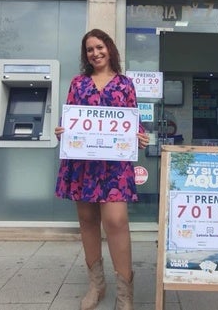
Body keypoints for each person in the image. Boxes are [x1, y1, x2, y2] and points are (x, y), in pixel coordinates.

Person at [54, 29, 149, 310]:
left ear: (110, 48)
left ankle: (125, 291)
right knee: (86, 220)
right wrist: (62, 130)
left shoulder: (125, 84)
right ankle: (96, 284)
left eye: (99, 47)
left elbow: (133, 120)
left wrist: (140, 136)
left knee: (117, 221)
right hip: (82, 163)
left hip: (114, 165)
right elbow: (70, 118)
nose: (95, 53)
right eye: (89, 50)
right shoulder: (78, 83)